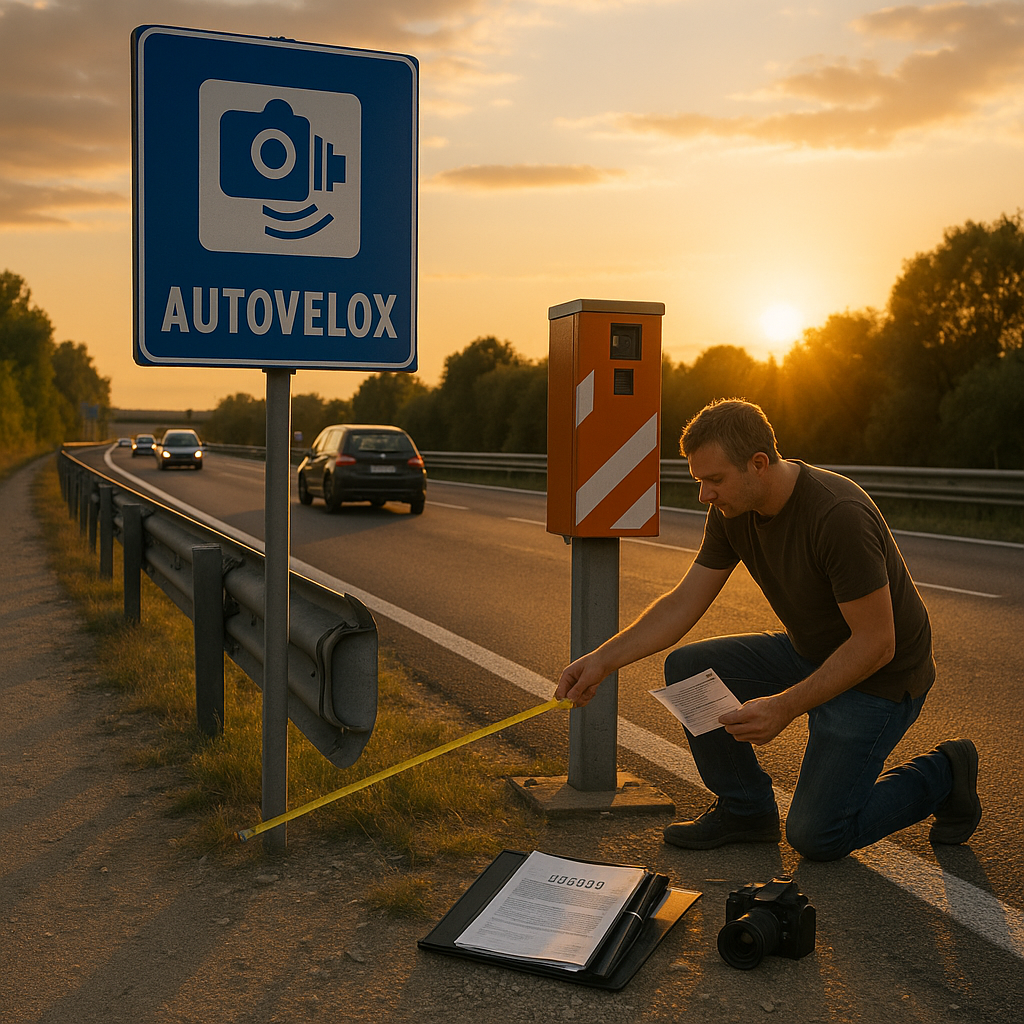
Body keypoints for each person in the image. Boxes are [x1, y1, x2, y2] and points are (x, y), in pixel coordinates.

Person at [555, 398, 981, 861]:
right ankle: (746, 810)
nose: (705, 496)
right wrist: (601, 660)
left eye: (714, 480)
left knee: (817, 836)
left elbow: (877, 645)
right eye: (699, 481)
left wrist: (785, 706)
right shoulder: (732, 512)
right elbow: (682, 603)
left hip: (881, 676)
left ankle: (945, 773)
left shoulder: (837, 516)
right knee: (690, 668)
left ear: (758, 464)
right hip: (812, 652)